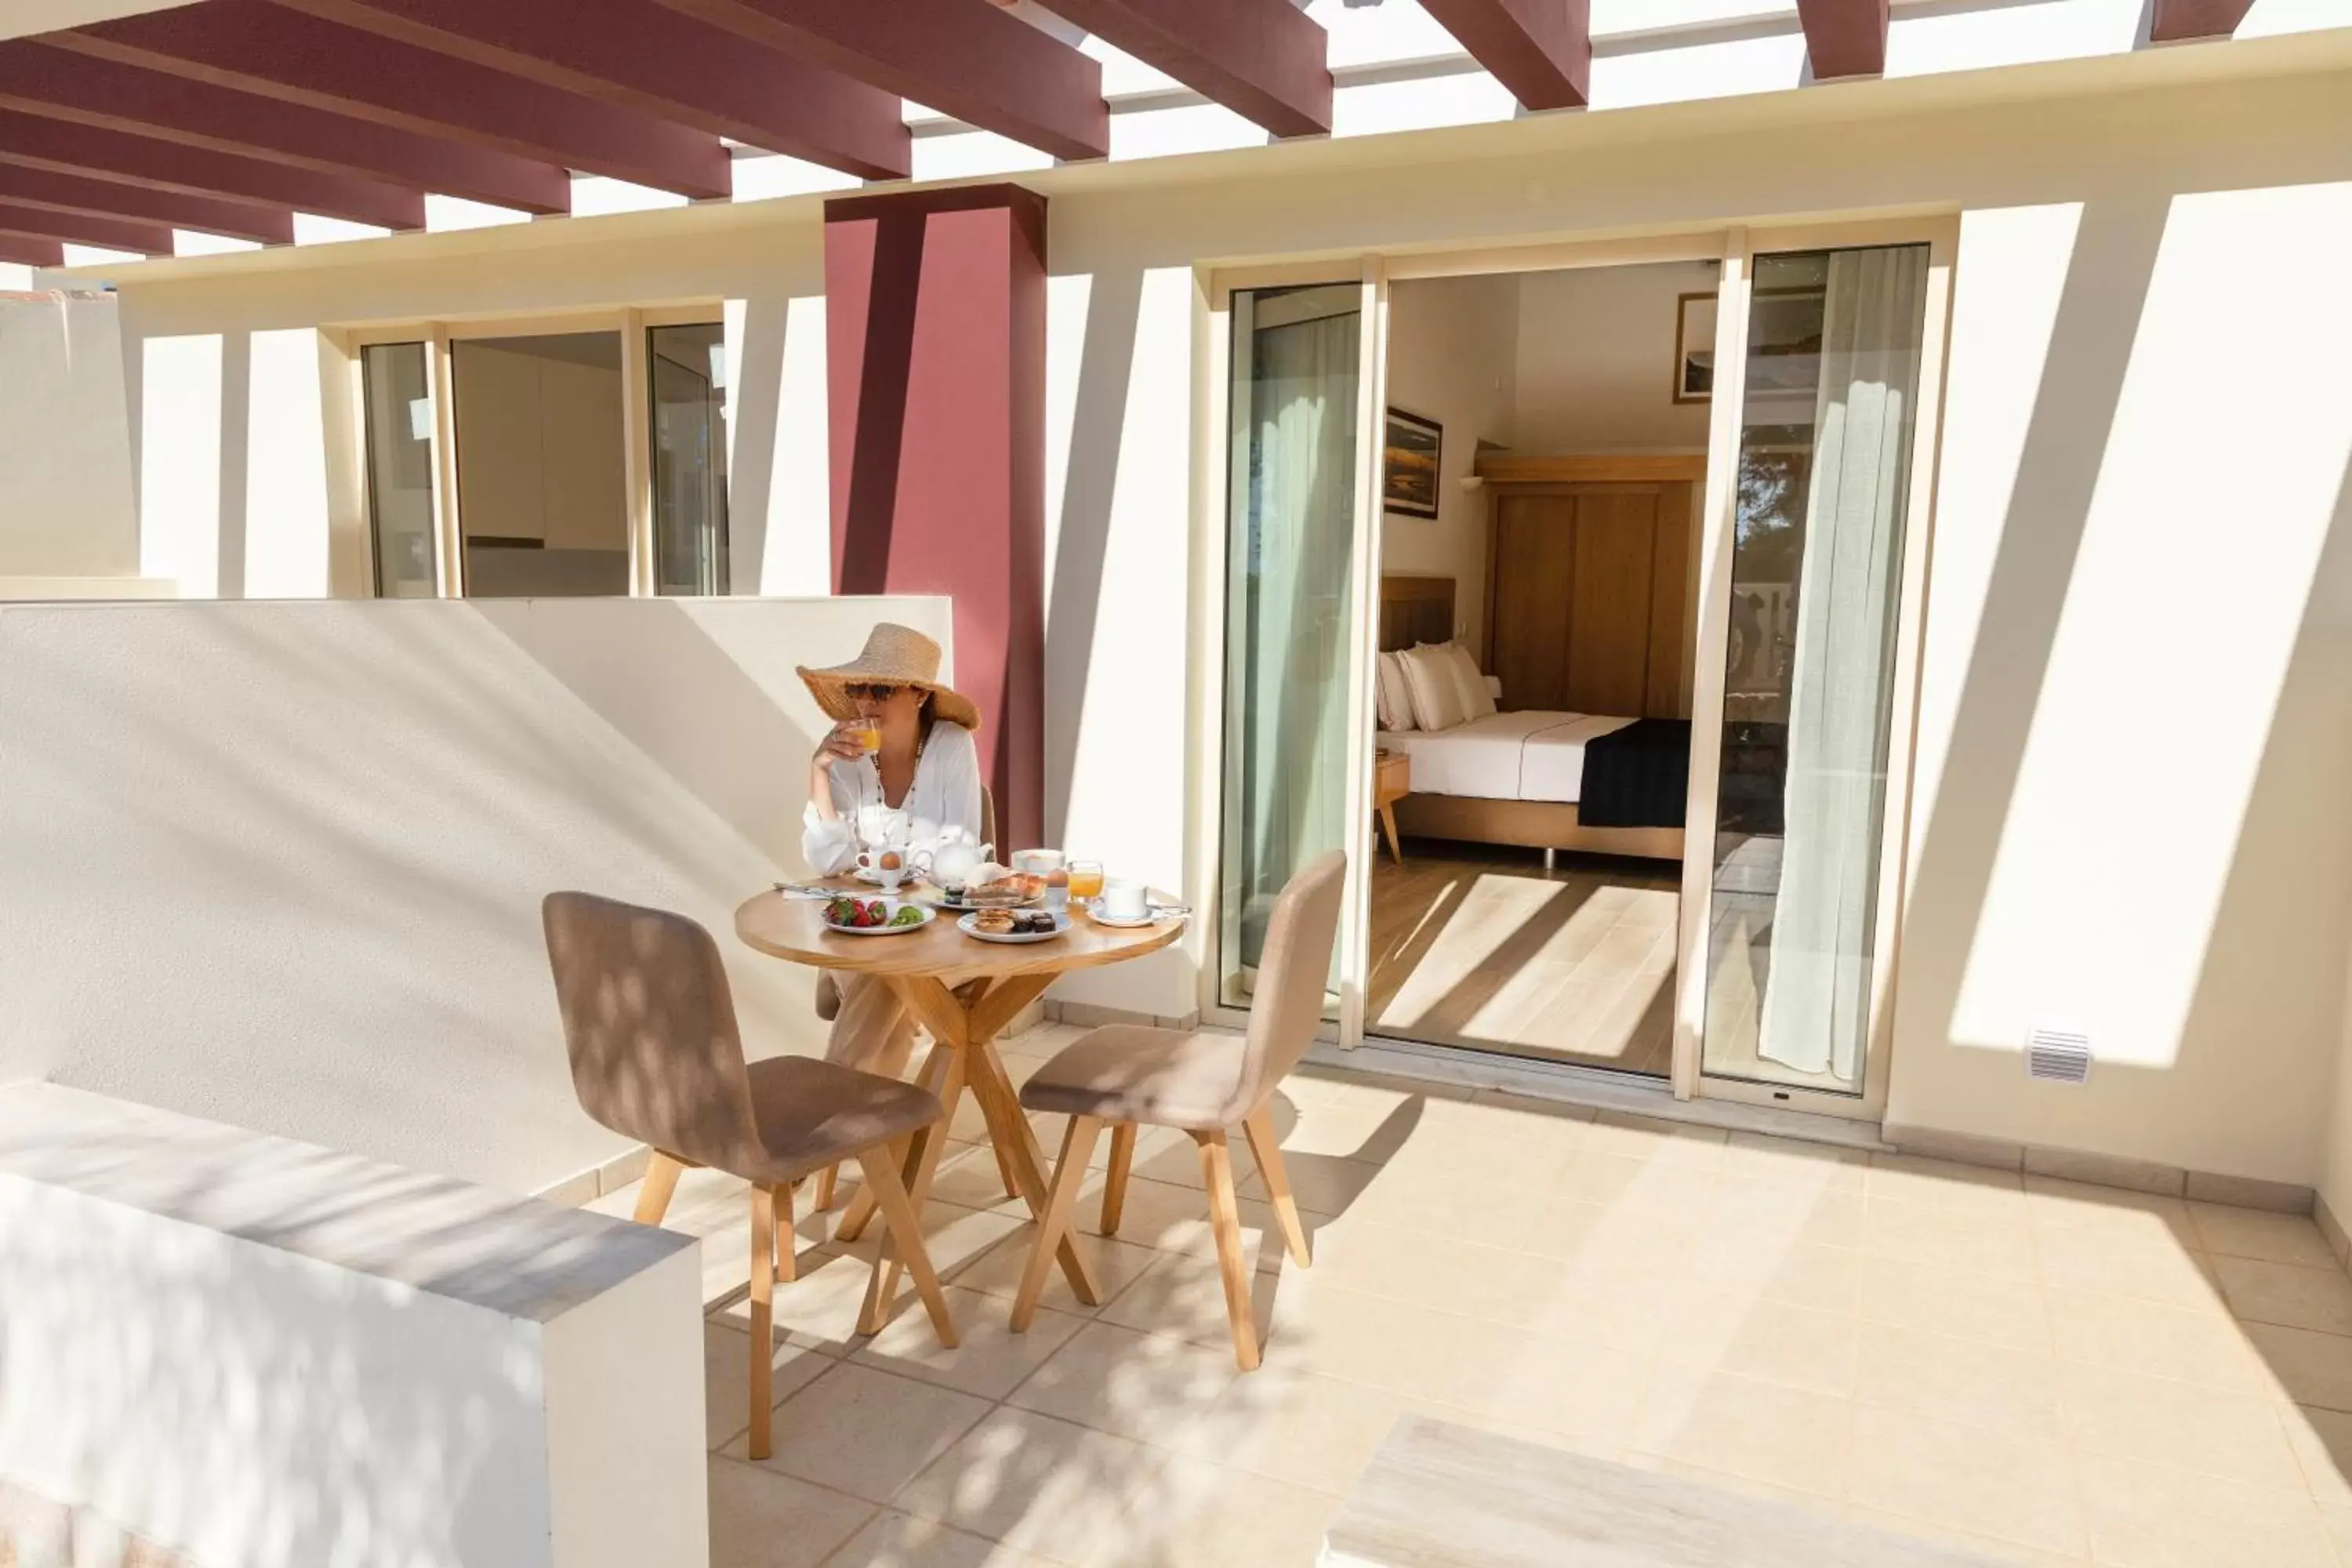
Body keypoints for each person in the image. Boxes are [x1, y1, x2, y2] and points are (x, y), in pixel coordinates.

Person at [798, 623, 985, 1080]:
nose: (865, 704)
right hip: (863, 934)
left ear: (920, 695)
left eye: (880, 690)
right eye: (860, 690)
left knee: (885, 980)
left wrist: (883, 873)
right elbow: (830, 863)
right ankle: (873, 1140)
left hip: (939, 937)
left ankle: (826, 1127)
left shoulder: (952, 748)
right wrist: (819, 772)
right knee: (887, 989)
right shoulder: (847, 755)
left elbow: (956, 860)